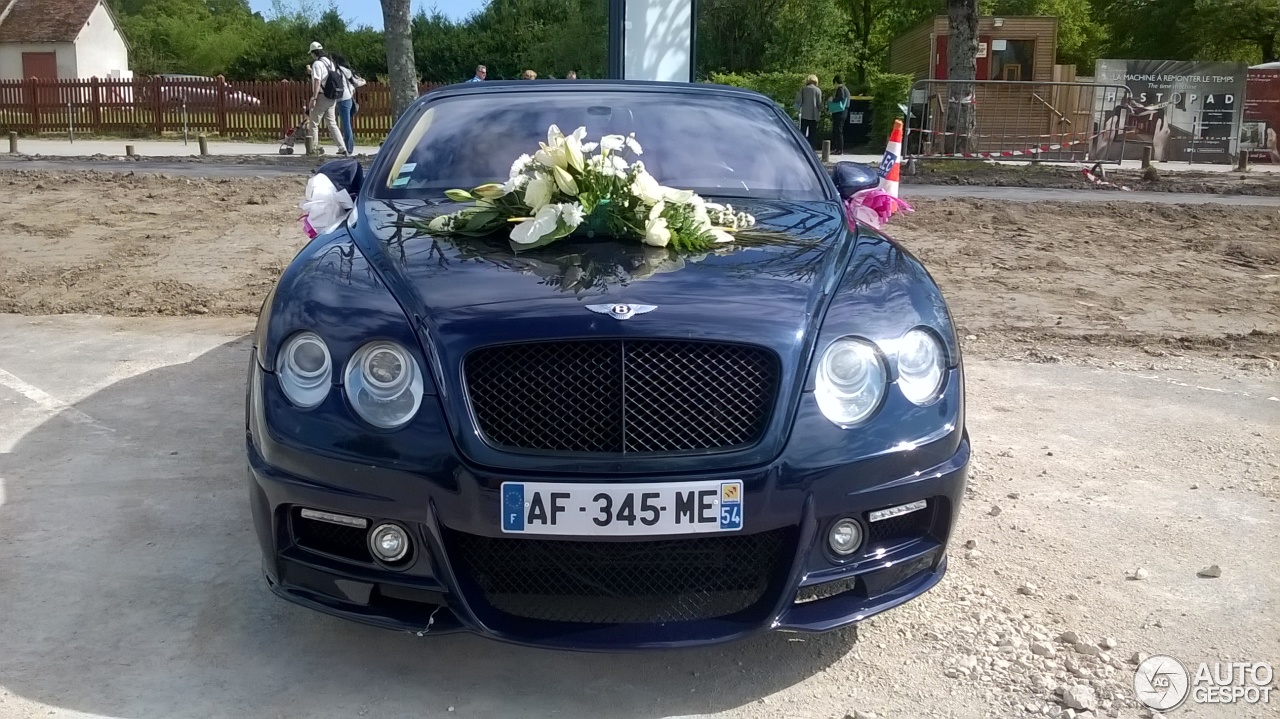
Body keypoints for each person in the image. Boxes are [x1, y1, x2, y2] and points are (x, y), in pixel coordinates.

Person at [305, 42, 348, 155]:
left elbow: (317, 81)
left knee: (313, 122)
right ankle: (342, 147)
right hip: (332, 96)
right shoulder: (329, 62)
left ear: (314, 53)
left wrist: (314, 98)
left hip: (322, 96)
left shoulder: (317, 64)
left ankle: (313, 148)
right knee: (332, 123)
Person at [332, 52, 362, 154]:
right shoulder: (346, 70)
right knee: (346, 124)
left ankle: (348, 148)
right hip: (348, 98)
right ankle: (347, 146)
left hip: (341, 99)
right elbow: (354, 81)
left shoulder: (334, 70)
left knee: (346, 124)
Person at [795, 74, 822, 151]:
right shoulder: (818, 90)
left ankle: (802, 148)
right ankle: (812, 149)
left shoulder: (803, 89)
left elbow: (798, 101)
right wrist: (821, 109)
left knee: (803, 133)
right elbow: (819, 104)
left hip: (804, 114)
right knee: (812, 134)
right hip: (814, 115)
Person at [827, 75, 851, 155]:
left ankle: (839, 149)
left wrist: (832, 99)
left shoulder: (840, 88)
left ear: (836, 82)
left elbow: (841, 97)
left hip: (840, 112)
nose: (834, 86)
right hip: (845, 111)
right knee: (839, 130)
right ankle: (838, 149)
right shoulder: (845, 88)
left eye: (834, 84)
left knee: (838, 130)